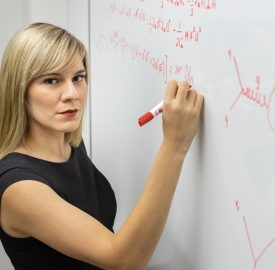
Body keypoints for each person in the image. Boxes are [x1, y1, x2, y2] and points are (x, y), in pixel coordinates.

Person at [0, 23, 203, 270]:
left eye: (78, 77)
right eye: (52, 80)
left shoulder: (68, 142)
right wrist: (174, 145)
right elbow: (122, 260)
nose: (72, 93)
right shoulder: (19, 187)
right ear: (19, 90)